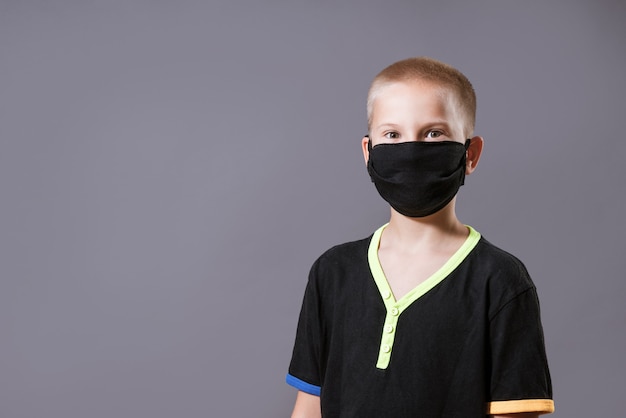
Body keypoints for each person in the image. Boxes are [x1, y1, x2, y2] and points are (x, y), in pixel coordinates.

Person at [286, 57, 554, 417]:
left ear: (470, 154)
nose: (411, 152)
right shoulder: (332, 272)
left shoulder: (501, 281)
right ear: (369, 152)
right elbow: (309, 407)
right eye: (393, 135)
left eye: (434, 134)